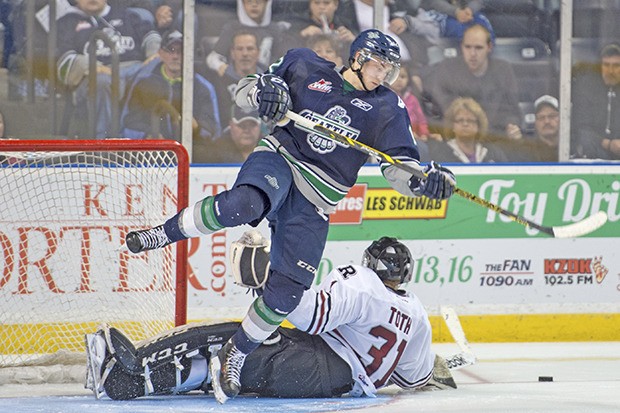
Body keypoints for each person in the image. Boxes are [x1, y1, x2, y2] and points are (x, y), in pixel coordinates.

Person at [124, 29, 456, 404]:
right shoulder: (304, 64)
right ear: (359, 57)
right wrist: (263, 92)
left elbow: (400, 169)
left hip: (317, 200)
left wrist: (425, 183)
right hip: (282, 158)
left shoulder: (387, 108)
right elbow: (246, 91)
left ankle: (238, 352)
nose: (383, 76)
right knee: (245, 204)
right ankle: (164, 233)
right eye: (379, 66)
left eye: (389, 70)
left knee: (285, 294)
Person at [85, 234, 457, 400]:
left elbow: (312, 316)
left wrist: (268, 280)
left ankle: (134, 364)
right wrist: (433, 369)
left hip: (317, 362)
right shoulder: (417, 315)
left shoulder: (361, 282)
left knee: (234, 338)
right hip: (334, 382)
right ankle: (133, 384)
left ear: (370, 264)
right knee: (228, 363)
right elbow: (414, 379)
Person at [56, 0, 161, 138]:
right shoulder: (66, 22)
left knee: (157, 70)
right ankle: (104, 144)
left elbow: (151, 37)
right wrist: (93, 66)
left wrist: (153, 54)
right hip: (94, 76)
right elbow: (63, 61)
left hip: (134, 70)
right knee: (102, 80)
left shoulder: (128, 15)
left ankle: (150, 136)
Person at [421, 24, 522, 143]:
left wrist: (512, 126)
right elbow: (442, 110)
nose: (472, 53)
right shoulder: (447, 69)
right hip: (455, 139)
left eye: (478, 48)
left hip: (493, 139)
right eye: (468, 47)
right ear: (461, 47)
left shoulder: (503, 70)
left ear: (489, 47)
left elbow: (512, 110)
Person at [119, 29, 221, 141]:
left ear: (190, 54)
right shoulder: (143, 81)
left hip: (190, 153)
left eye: (181, 51)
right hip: (151, 153)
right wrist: (147, 136)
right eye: (170, 50)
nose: (175, 56)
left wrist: (197, 128)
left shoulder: (203, 87)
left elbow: (214, 133)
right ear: (161, 54)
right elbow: (127, 124)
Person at [205, 0, 289, 78]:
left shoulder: (274, 29)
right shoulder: (232, 28)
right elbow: (213, 57)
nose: (254, 5)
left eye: (259, 1)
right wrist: (220, 66)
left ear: (267, 3)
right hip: (236, 80)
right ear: (242, 3)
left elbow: (281, 59)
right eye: (249, 1)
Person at [206, 29, 266, 127]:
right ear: (232, 53)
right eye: (239, 49)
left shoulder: (269, 82)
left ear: (258, 53)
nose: (245, 54)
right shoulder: (217, 82)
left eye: (250, 48)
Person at [572, 42, 620, 160]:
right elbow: (581, 127)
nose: (610, 71)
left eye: (616, 65)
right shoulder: (586, 89)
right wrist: (608, 144)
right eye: (606, 65)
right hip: (595, 150)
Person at [427, 97, 508, 163]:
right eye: (460, 120)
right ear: (452, 125)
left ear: (478, 125)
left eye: (470, 120)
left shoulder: (493, 153)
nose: (465, 124)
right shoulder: (441, 153)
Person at [281, 0, 355, 55]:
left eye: (326, 3)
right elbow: (283, 48)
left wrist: (353, 40)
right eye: (317, 3)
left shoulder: (345, 24)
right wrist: (301, 35)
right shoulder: (298, 24)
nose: (321, 7)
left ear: (336, 5)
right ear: (310, 5)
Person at [195, 106, 264, 164]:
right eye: (241, 125)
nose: (247, 130)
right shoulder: (214, 153)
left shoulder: (271, 151)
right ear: (231, 125)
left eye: (252, 125)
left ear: (259, 126)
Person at [504, 95, 559, 163]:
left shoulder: (571, 148)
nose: (546, 121)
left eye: (552, 116)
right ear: (535, 122)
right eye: (541, 117)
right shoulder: (528, 150)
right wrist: (515, 145)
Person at [421, 0, 495, 44]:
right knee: (457, 29)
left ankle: (485, 65)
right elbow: (433, 2)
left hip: (468, 12)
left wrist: (470, 9)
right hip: (441, 11)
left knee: (483, 26)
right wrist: (456, 12)